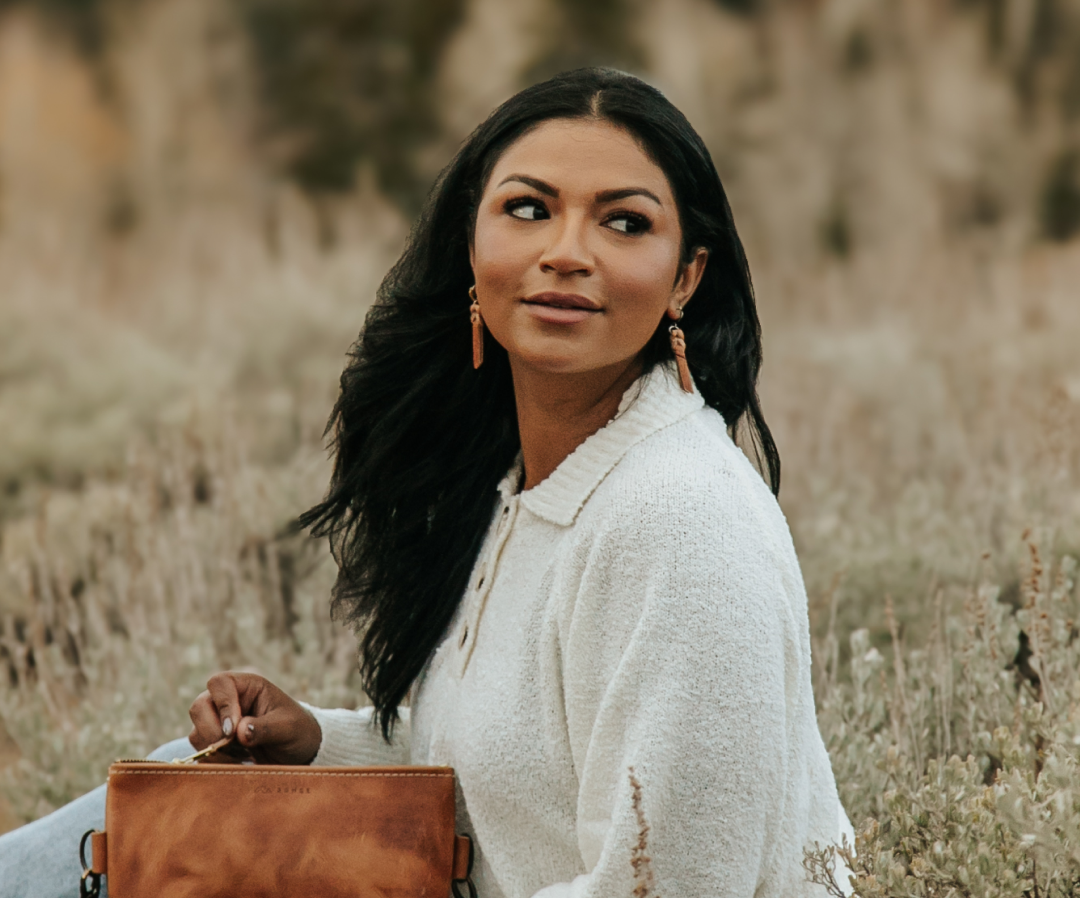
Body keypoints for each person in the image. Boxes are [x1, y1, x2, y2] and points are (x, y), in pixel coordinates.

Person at [0, 67, 853, 897]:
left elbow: (675, 886)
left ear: (686, 277)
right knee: (160, 800)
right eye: (528, 209)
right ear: (471, 250)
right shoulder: (528, 485)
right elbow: (520, 772)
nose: (566, 253)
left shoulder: (681, 517)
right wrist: (320, 747)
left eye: (624, 223)